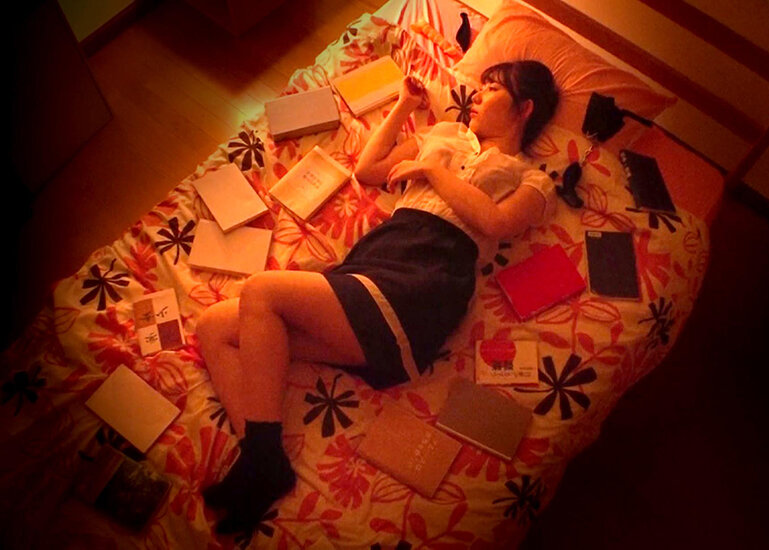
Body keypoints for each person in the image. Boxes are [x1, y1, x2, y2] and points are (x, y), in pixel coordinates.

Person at [196, 60, 559, 534]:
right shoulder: (444, 133)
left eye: (492, 89)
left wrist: (430, 171)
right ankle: (261, 459)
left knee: (263, 290)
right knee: (214, 328)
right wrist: (405, 106)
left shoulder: (533, 179)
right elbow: (368, 170)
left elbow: (496, 222)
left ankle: (262, 459)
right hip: (380, 257)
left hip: (427, 278)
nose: (477, 94)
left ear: (524, 108)